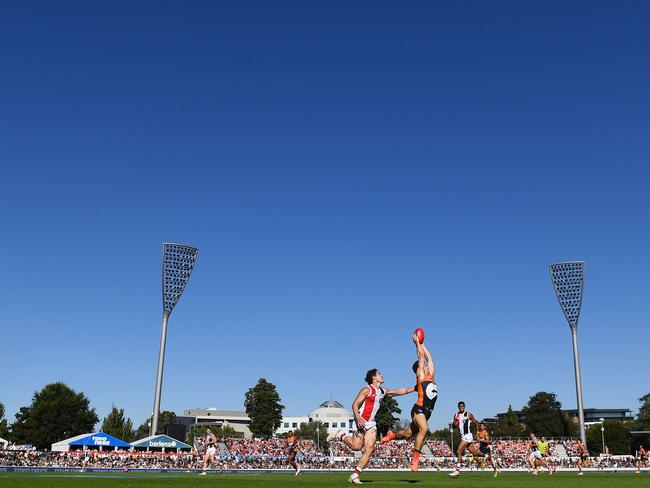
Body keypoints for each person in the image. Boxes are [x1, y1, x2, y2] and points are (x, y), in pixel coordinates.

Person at [329, 368, 415, 484]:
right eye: (379, 374)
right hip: (361, 422)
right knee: (356, 447)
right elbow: (355, 404)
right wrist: (358, 417)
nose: (382, 375)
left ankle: (355, 475)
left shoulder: (383, 391)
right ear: (374, 377)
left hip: (371, 424)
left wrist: (415, 388)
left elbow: (400, 391)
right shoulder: (366, 390)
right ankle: (340, 435)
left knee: (370, 449)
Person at [380, 333, 437, 471]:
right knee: (424, 429)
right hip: (419, 409)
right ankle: (415, 459)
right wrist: (416, 342)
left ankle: (391, 435)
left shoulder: (431, 375)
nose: (426, 366)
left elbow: (430, 359)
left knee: (406, 434)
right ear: (418, 369)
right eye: (422, 365)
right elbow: (422, 357)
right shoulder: (421, 375)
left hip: (427, 412)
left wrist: (423, 344)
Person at [449, 401, 486, 477]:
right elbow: (456, 424)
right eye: (460, 406)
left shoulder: (468, 414)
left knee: (458, 451)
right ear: (458, 407)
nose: (461, 407)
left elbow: (476, 422)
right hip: (463, 436)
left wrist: (477, 432)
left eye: (462, 406)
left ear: (464, 407)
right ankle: (487, 456)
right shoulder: (456, 415)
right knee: (475, 454)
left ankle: (457, 470)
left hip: (468, 435)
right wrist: (454, 424)